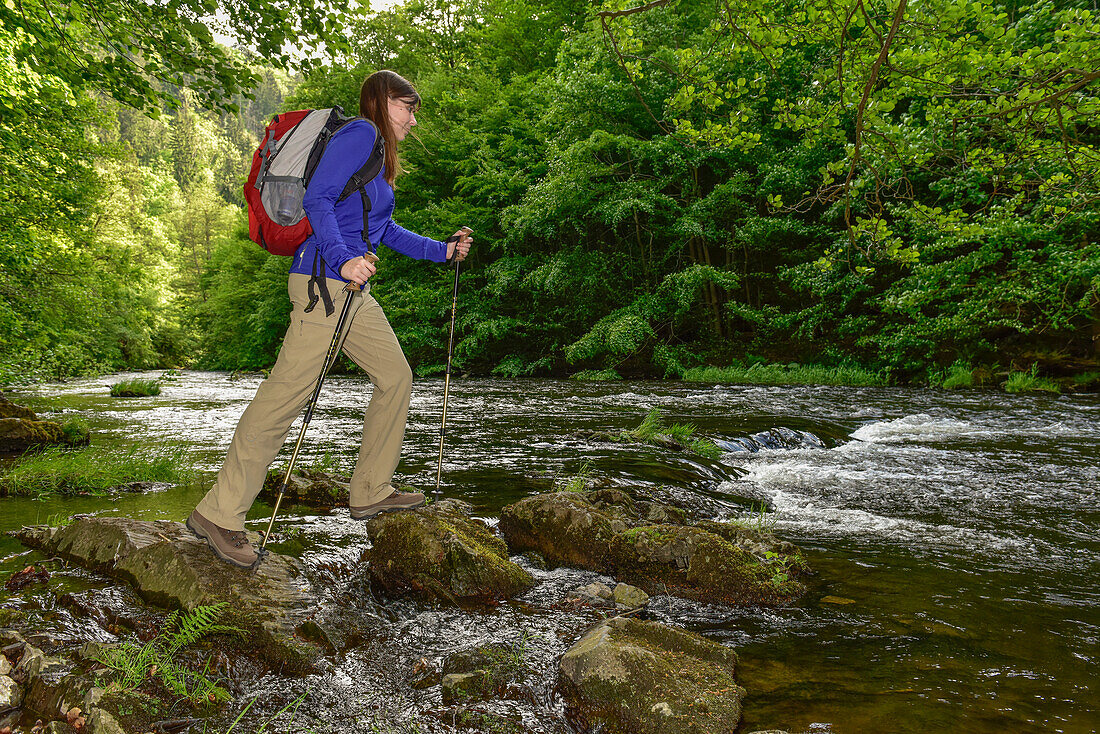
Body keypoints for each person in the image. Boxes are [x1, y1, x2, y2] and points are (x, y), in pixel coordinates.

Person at [187, 70, 473, 568]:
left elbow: (384, 231)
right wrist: (342, 258)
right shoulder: (360, 135)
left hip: (352, 291)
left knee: (395, 377)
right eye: (407, 106)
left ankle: (370, 490)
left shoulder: (379, 159)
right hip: (324, 285)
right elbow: (317, 198)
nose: (413, 117)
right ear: (381, 103)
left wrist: (442, 251)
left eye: (414, 108)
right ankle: (220, 514)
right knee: (283, 400)